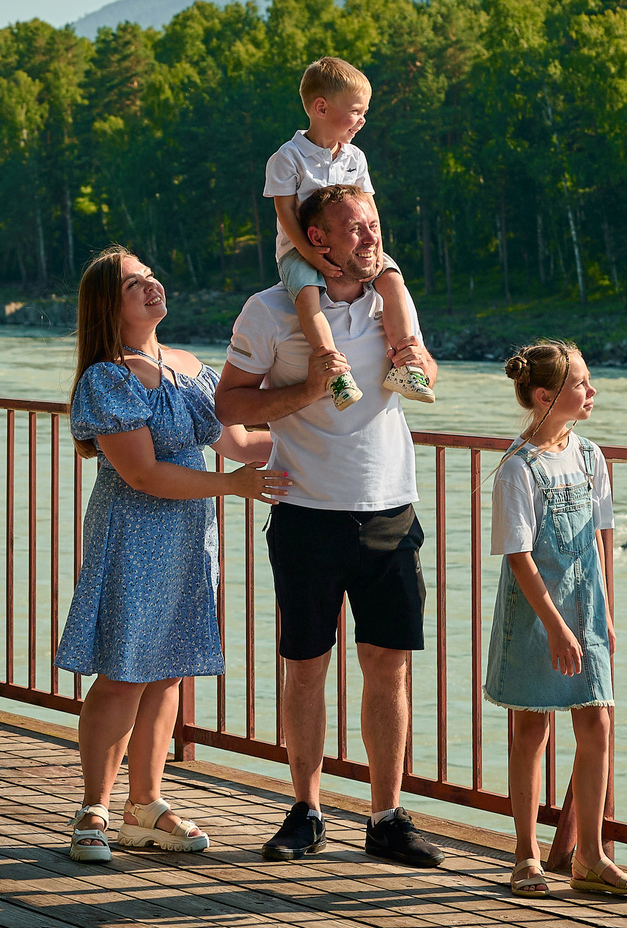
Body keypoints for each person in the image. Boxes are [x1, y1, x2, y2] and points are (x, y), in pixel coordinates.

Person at [214, 184, 443, 867]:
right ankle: (307, 812)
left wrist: (420, 364)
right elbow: (227, 401)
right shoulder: (271, 310)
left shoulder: (389, 301)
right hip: (307, 515)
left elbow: (425, 373)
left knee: (389, 671)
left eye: (374, 225)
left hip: (391, 512)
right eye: (358, 230)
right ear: (318, 241)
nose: (372, 239)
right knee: (306, 670)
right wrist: (306, 390)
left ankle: (386, 819)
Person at [54, 247, 288, 865]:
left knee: (168, 669)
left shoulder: (189, 368)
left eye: (152, 277)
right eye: (136, 284)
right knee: (124, 671)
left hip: (188, 536)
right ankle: (94, 808)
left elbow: (238, 440)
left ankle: (145, 805)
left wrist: (321, 428)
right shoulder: (108, 376)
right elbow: (143, 474)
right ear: (110, 304)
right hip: (134, 532)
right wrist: (230, 485)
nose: (152, 287)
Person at [484, 341, 627, 897]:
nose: (592, 391)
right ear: (544, 396)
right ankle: (526, 854)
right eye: (581, 383)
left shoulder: (590, 456)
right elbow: (519, 557)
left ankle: (591, 856)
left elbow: (600, 541)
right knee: (532, 727)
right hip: (536, 614)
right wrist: (554, 624)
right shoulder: (517, 468)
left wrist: (606, 617)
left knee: (597, 721)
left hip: (587, 609)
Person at [264, 56, 438, 410]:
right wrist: (311, 255)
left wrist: (377, 254)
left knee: (392, 281)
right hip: (300, 249)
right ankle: (334, 369)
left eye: (365, 112)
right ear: (321, 107)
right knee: (308, 296)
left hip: (356, 248)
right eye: (357, 111)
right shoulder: (288, 157)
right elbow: (284, 212)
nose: (362, 120)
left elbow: (369, 210)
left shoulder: (355, 157)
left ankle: (406, 362)